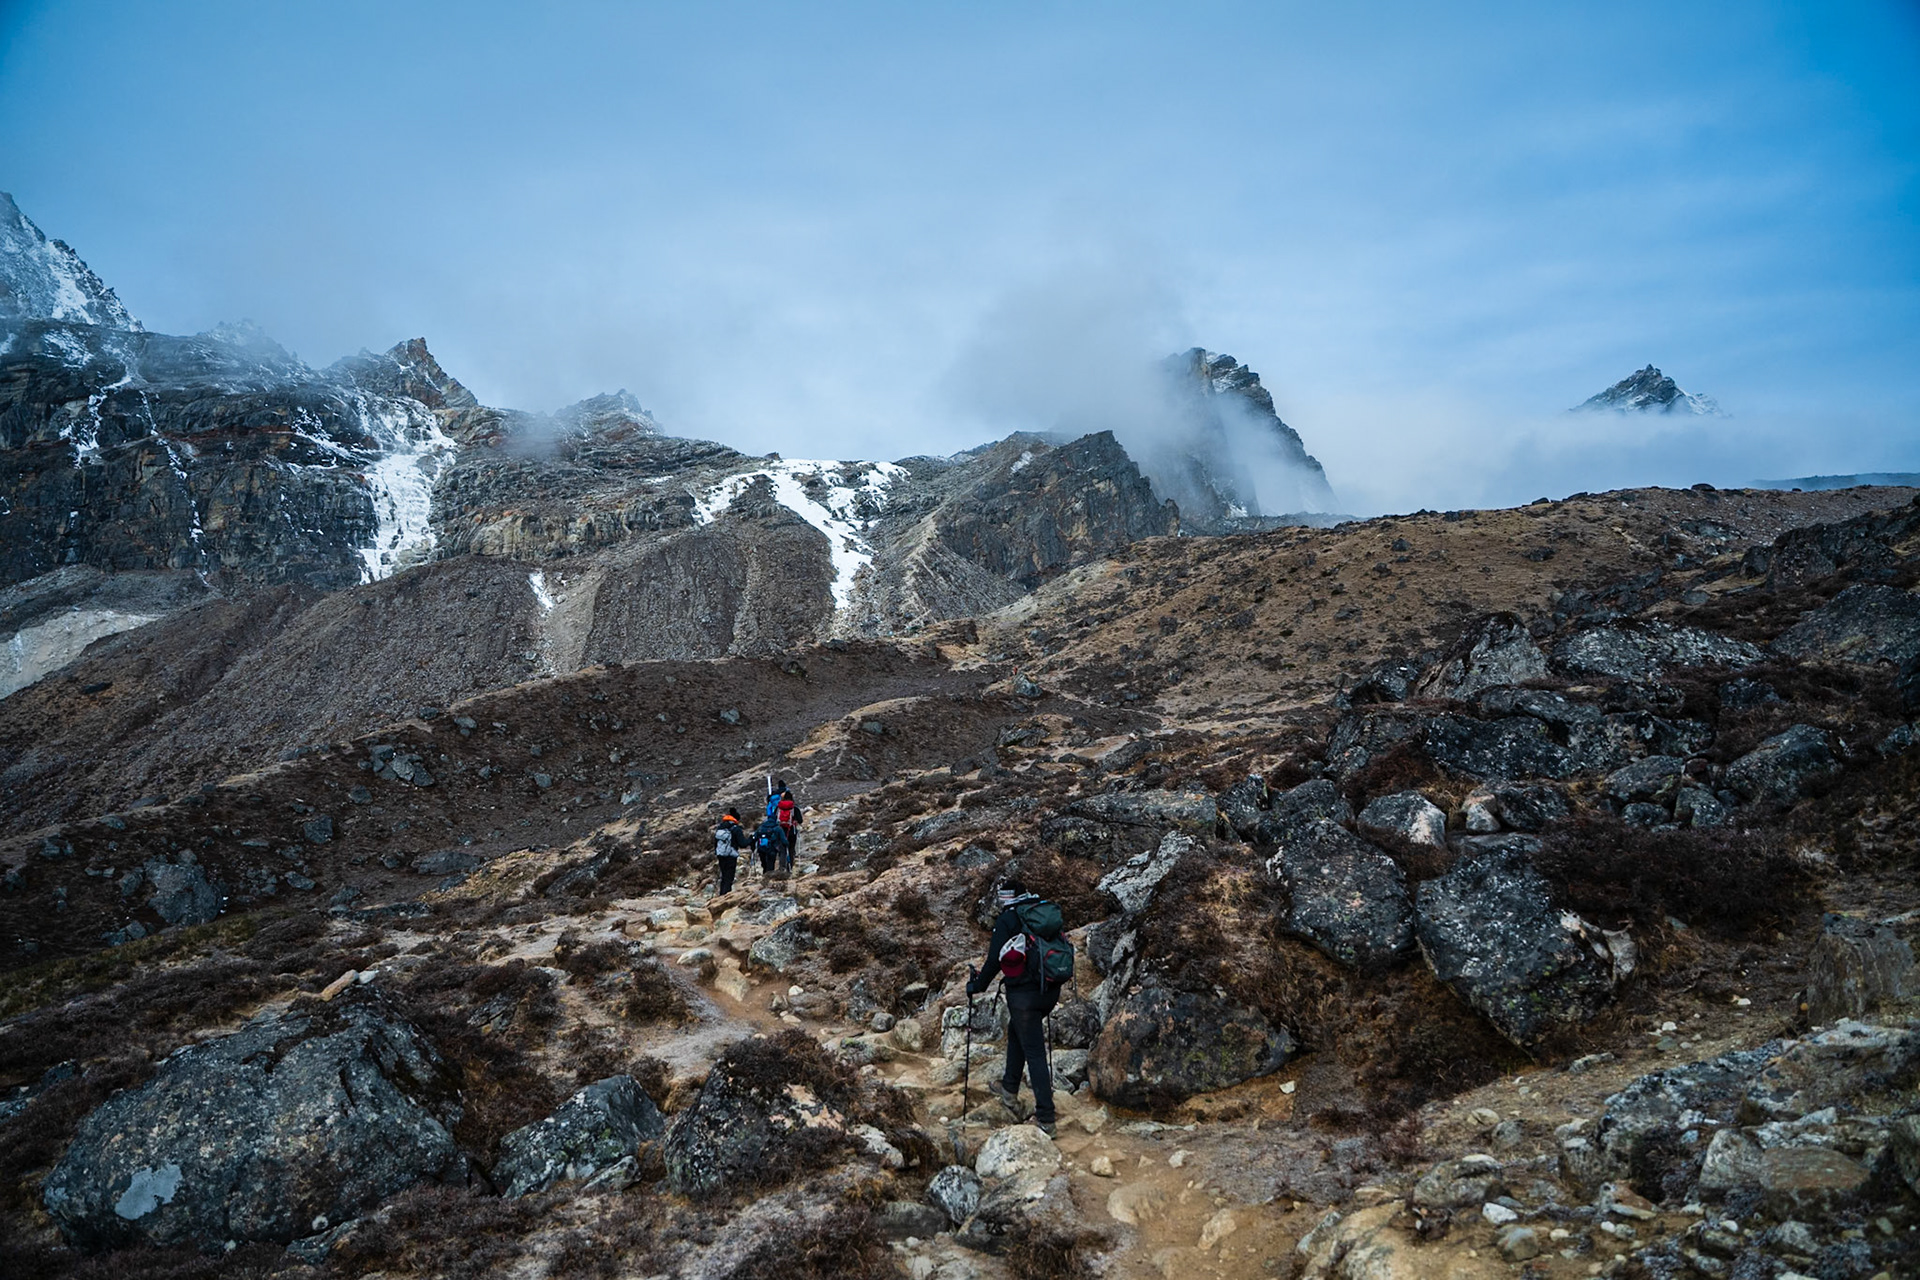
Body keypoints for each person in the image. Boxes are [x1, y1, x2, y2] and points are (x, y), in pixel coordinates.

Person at [967, 877, 1062, 1136]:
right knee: (1017, 1031)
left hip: (1024, 997)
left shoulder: (1008, 919)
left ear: (1006, 898)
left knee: (1034, 1051)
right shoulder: (1040, 912)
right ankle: (1009, 1089)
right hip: (1049, 990)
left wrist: (976, 986)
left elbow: (994, 961)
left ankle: (1046, 1118)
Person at [712, 810, 747, 894]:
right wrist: (751, 839)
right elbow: (743, 844)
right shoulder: (736, 829)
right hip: (731, 855)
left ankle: (721, 894)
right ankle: (726, 895)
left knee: (723, 876)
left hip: (720, 855)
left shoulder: (720, 827)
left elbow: (715, 842)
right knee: (729, 877)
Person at [775, 785, 803, 872]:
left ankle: (782, 867)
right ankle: (789, 868)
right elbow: (800, 820)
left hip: (780, 831)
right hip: (792, 831)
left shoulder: (779, 808)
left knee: (782, 850)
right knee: (791, 849)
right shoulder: (794, 808)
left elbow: (773, 818)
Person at [754, 813, 787, 879]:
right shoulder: (777, 828)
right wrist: (786, 845)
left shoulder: (761, 827)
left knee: (764, 864)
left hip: (761, 849)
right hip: (772, 849)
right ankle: (769, 877)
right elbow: (784, 840)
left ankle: (764, 876)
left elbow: (755, 837)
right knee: (770, 864)